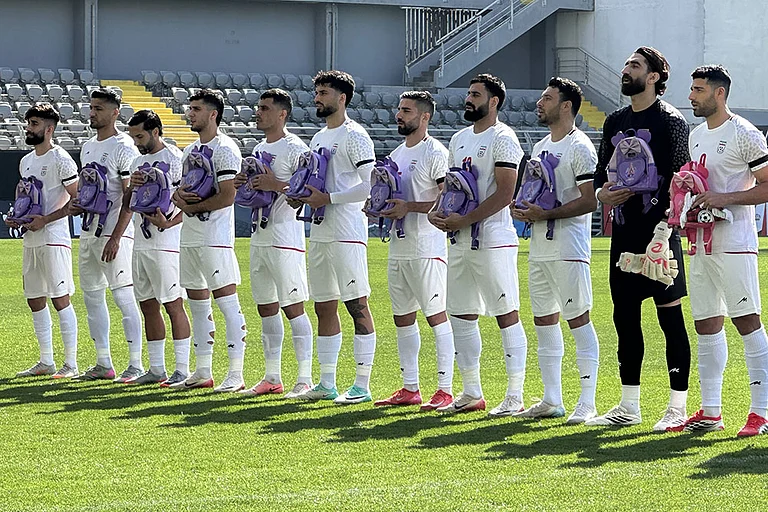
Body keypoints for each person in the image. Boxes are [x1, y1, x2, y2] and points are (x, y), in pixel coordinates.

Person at [588, 47, 691, 430]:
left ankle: (677, 406)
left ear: (653, 77)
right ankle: (629, 406)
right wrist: (602, 194)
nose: (625, 70)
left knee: (670, 318)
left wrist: (667, 227)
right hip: (624, 236)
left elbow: (680, 179)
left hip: (660, 234)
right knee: (625, 318)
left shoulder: (671, 121)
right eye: (626, 64)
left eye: (634, 65)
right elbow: (601, 172)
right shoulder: (615, 121)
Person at [675, 65, 768, 436]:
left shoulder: (744, 133)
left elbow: (766, 185)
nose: (691, 96)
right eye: (692, 89)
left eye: (698, 90)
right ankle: (711, 411)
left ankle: (761, 412)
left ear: (719, 93)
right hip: (699, 242)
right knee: (706, 323)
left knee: (746, 321)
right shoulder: (696, 135)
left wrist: (724, 198)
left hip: (735, 244)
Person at [429, 74, 527, 414]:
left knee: (506, 314)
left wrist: (467, 220)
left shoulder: (504, 137)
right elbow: (451, 186)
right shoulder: (458, 139)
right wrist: (436, 210)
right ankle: (471, 392)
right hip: (459, 240)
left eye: (475, 94)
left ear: (494, 101)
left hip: (493, 240)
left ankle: (514, 395)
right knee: (460, 314)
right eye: (468, 93)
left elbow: (505, 193)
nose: (468, 99)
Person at [510, 77, 600, 423]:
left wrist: (545, 214)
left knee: (578, 320)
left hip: (568, 248)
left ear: (566, 106)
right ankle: (552, 399)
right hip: (540, 248)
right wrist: (523, 208)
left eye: (547, 98)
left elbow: (589, 200)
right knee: (544, 321)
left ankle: (587, 402)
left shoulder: (580, 146)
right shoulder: (541, 146)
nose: (540, 103)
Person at [296, 70, 377, 404]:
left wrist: (329, 199)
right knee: (323, 306)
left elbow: (371, 186)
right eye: (316, 92)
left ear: (342, 98)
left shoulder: (355, 135)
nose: (317, 98)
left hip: (347, 232)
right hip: (320, 232)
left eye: (324, 92)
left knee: (356, 304)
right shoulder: (318, 137)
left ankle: (362, 385)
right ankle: (327, 382)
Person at [372, 91, 455, 411]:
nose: (399, 115)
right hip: (399, 247)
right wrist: (378, 207)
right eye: (399, 109)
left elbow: (447, 198)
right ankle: (410, 388)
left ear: (424, 116)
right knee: (403, 318)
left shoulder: (436, 152)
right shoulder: (396, 154)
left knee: (436, 316)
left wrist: (409, 206)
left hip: (427, 247)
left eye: (406, 110)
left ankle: (445, 389)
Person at [233, 89, 315, 399]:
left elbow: (306, 192)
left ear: (282, 114)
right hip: (260, 236)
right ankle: (272, 377)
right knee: (266, 307)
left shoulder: (296, 148)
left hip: (285, 237)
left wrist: (276, 184)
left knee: (293, 307)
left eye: (265, 108)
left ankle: (304, 378)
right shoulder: (258, 147)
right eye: (258, 107)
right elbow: (257, 189)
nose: (258, 112)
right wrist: (244, 184)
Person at [170, 89, 247, 392]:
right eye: (190, 108)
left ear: (213, 114)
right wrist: (179, 198)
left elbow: (228, 196)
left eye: (196, 109)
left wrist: (193, 207)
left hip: (215, 238)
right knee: (198, 305)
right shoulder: (189, 150)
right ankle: (202, 371)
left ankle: (236, 373)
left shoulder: (226, 149)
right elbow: (181, 189)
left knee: (227, 304)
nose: (190, 113)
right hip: (189, 237)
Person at [70, 89, 143, 382]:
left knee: (123, 295)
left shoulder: (124, 147)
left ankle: (136, 363)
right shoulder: (88, 146)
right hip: (89, 232)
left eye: (99, 108)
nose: (92, 113)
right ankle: (104, 363)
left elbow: (130, 195)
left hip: (114, 233)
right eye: (91, 107)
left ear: (115, 112)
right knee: (92, 297)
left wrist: (116, 237)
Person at [9, 103, 80, 379]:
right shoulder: (25, 161)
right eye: (28, 123)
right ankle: (46, 361)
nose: (28, 128)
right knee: (35, 299)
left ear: (49, 129)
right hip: (31, 239)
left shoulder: (61, 159)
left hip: (54, 238)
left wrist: (46, 220)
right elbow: (28, 199)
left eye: (34, 124)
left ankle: (71, 364)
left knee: (60, 299)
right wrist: (18, 217)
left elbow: (77, 200)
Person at [121, 110, 192, 386]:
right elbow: (128, 203)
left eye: (140, 136)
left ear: (155, 132)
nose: (136, 142)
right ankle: (156, 368)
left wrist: (170, 223)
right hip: (140, 242)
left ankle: (182, 369)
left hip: (166, 244)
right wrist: (132, 187)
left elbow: (190, 197)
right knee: (148, 305)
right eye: (133, 137)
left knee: (173, 304)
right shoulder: (137, 161)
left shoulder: (175, 158)